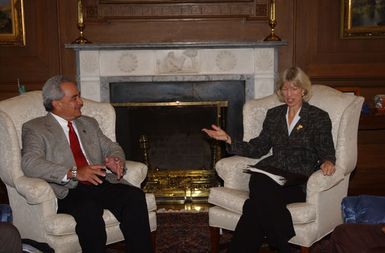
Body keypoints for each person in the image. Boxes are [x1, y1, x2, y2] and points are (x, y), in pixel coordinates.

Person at [202, 66, 336, 253]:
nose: (289, 94)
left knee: (254, 205)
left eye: (294, 88)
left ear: (303, 90)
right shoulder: (274, 115)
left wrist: (328, 161)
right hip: (271, 172)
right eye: (285, 89)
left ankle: (275, 244)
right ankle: (282, 244)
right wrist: (228, 139)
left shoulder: (318, 117)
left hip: (297, 180)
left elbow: (326, 149)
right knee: (259, 181)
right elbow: (258, 147)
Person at [21, 75, 153, 253]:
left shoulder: (88, 123)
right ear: (57, 103)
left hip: (99, 181)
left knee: (134, 196)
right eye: (74, 98)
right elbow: (30, 163)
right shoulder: (35, 128)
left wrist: (115, 160)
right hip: (69, 189)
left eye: (79, 96)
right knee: (89, 210)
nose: (81, 102)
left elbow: (112, 147)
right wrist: (74, 172)